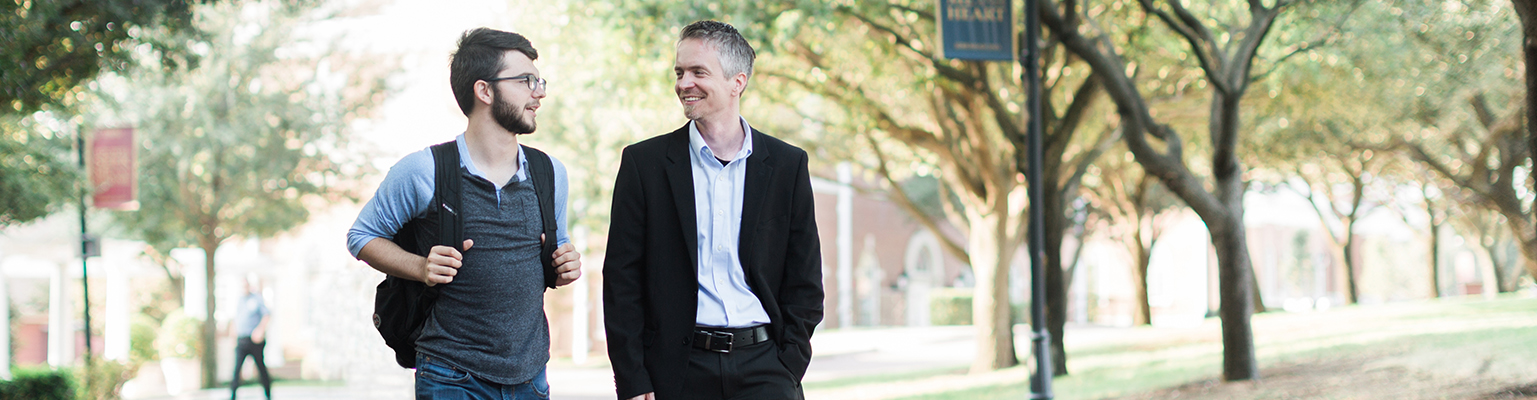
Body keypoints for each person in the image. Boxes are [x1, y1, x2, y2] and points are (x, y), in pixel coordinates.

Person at [347, 27, 582, 400]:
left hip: (532, 377)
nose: (540, 92)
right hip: (450, 376)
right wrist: (421, 267)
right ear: (484, 90)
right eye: (526, 81)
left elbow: (557, 247)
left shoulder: (551, 172)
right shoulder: (423, 170)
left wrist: (566, 262)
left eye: (539, 81)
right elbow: (360, 237)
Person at [603, 20, 824, 400]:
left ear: (737, 82)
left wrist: (789, 364)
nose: (683, 83)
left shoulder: (787, 165)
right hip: (677, 371)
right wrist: (633, 377)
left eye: (698, 72)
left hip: (766, 368)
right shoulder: (644, 163)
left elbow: (804, 276)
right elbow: (622, 279)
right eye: (680, 72)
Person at [230, 276, 272, 400]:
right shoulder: (239, 301)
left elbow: (266, 315)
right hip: (242, 339)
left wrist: (260, 330)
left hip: (255, 340)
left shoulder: (257, 298)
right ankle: (232, 395)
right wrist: (233, 337)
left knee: (261, 368)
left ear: (249, 285)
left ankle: (268, 394)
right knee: (236, 369)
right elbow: (235, 320)